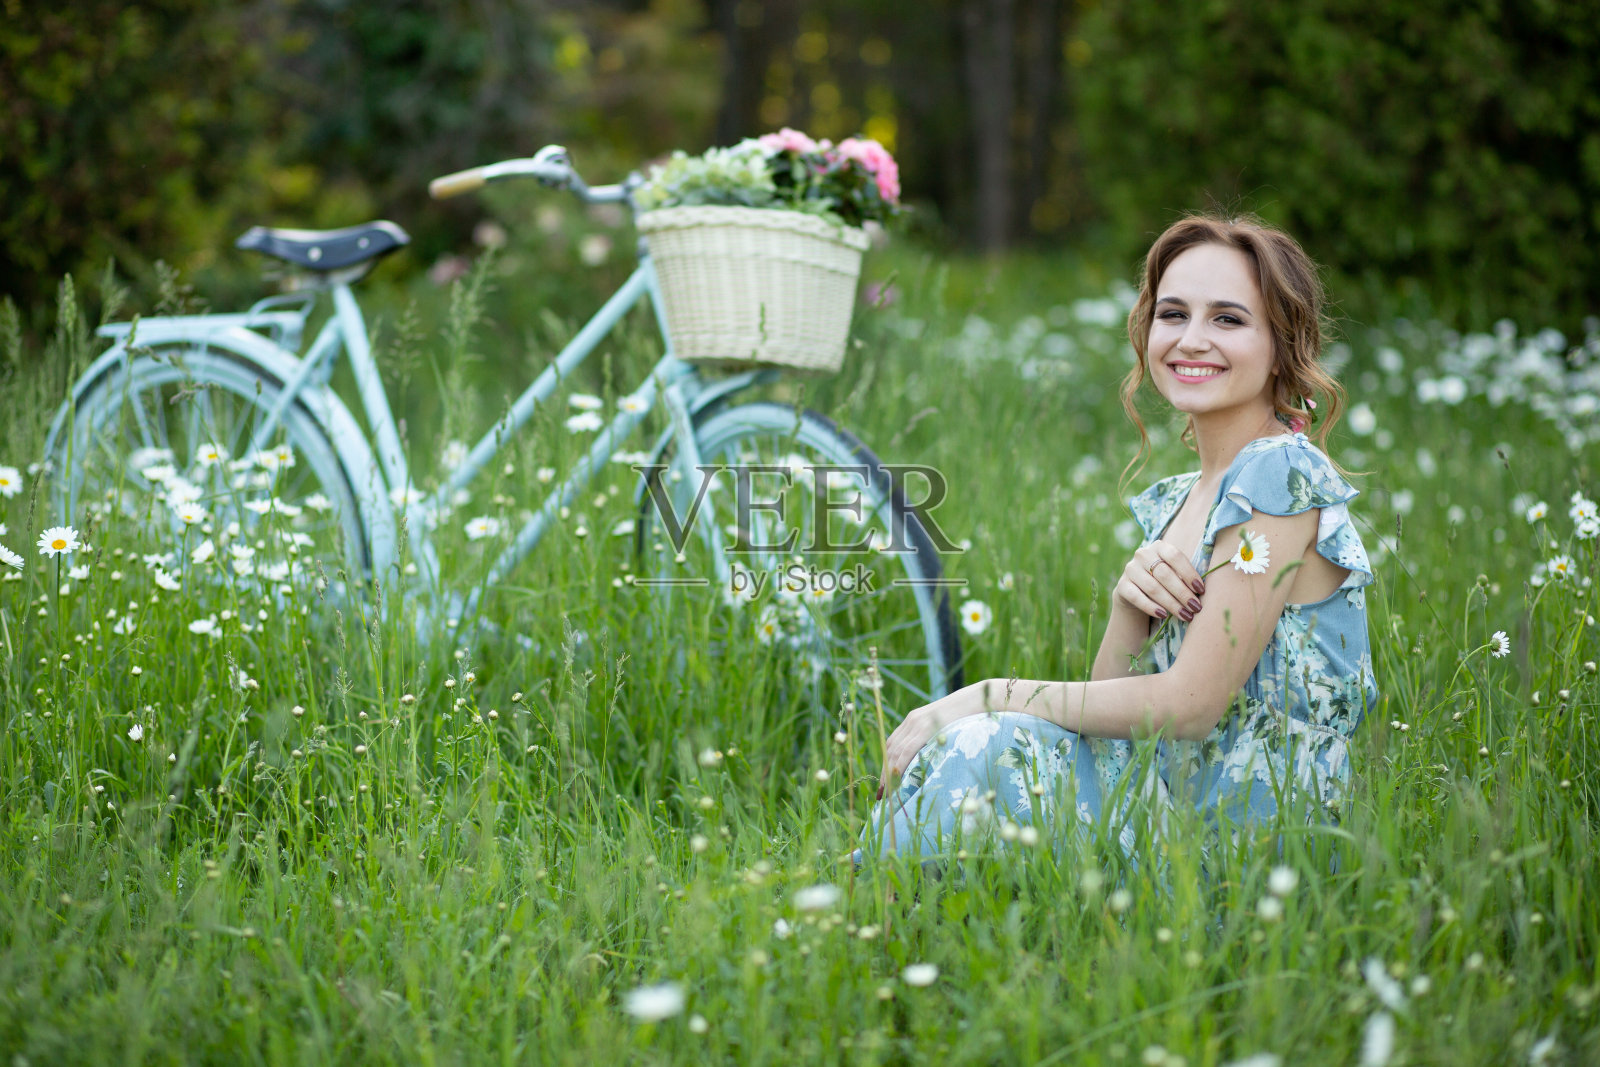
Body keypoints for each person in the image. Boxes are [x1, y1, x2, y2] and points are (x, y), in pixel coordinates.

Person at [863, 213, 1378, 860]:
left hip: (1253, 847)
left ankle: (864, 917)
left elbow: (1189, 706)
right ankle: (885, 917)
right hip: (1166, 816)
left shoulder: (1281, 473)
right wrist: (1127, 610)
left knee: (987, 736)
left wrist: (985, 694)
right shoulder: (1184, 496)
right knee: (992, 741)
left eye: (1228, 319)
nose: (1192, 339)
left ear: (1282, 342)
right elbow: (1108, 732)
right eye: (1173, 314)